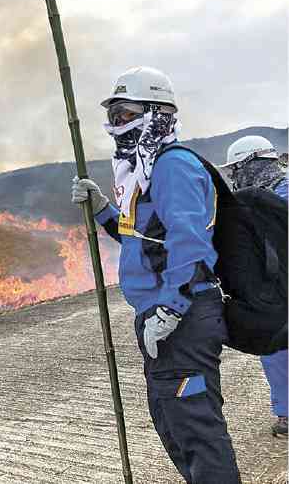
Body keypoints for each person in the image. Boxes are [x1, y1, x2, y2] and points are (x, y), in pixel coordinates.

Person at [71, 66, 240, 482]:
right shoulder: (142, 173)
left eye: (126, 115)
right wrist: (102, 211)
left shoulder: (171, 166)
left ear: (156, 113)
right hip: (161, 318)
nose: (117, 126)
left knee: (198, 432)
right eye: (114, 117)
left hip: (182, 317)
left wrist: (171, 308)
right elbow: (144, 239)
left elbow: (189, 243)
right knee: (175, 426)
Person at [221, 135, 288, 437]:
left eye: (236, 169)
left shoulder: (271, 198)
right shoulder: (274, 193)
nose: (234, 177)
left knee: (275, 348)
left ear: (251, 164)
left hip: (279, 293)